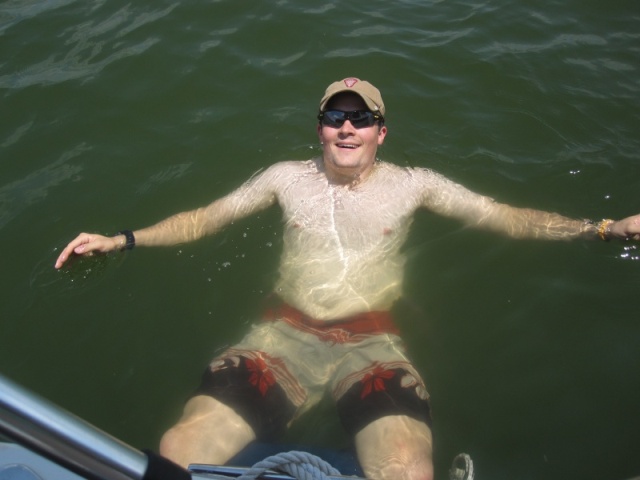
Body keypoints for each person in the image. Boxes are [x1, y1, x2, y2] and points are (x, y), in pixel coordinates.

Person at [54, 77, 640, 480]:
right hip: (281, 339)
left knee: (409, 467)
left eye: (361, 118)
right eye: (336, 117)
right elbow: (206, 218)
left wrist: (604, 228)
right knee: (179, 450)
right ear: (319, 128)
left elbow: (507, 218)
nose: (347, 128)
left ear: (382, 131)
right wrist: (123, 239)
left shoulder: (416, 185)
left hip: (370, 344)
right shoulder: (285, 178)